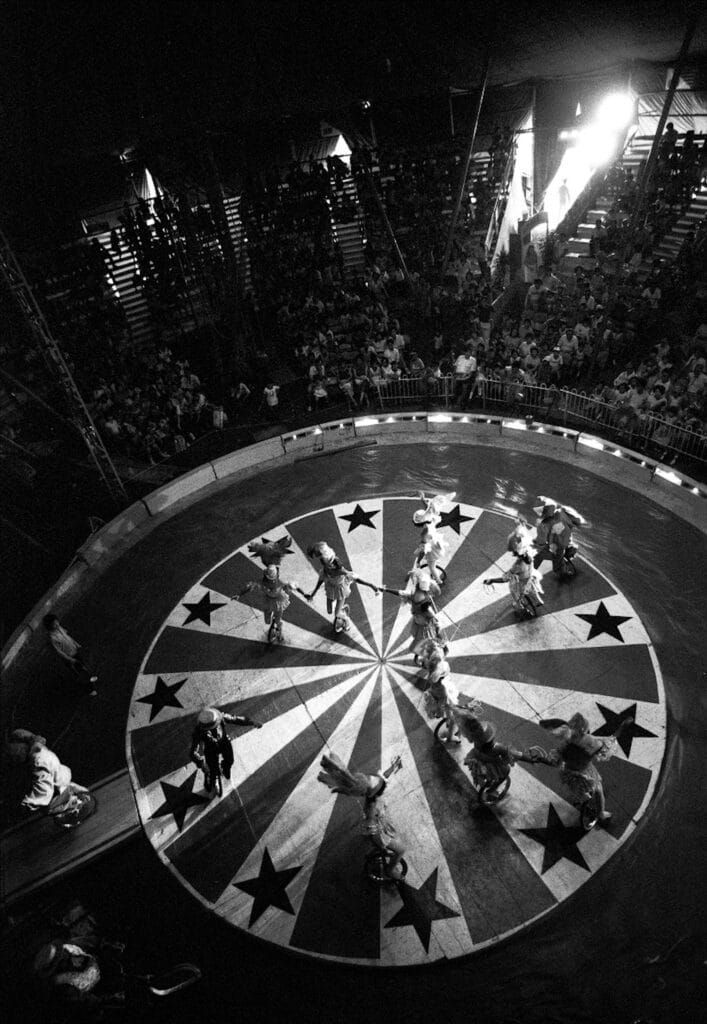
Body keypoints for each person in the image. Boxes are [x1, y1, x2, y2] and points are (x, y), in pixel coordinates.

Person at [318, 751, 406, 880]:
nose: (379, 780)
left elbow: (383, 779)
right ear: (375, 791)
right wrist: (379, 840)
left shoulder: (373, 791)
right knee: (401, 850)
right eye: (377, 782)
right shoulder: (372, 804)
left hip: (380, 823)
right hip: (377, 831)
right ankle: (390, 870)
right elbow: (370, 825)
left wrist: (393, 767)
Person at [531, 712, 624, 823]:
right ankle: (601, 814)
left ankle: (583, 796)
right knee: (598, 790)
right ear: (584, 729)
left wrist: (541, 759)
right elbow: (607, 745)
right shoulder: (591, 742)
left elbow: (555, 763)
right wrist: (620, 729)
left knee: (579, 789)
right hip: (586, 773)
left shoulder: (564, 746)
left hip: (570, 774)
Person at [5, 729, 89, 816]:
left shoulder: (37, 760)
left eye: (15, 753)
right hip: (62, 776)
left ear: (23, 745)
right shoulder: (39, 750)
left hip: (60, 784)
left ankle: (73, 798)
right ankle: (71, 792)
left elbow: (44, 788)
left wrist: (28, 802)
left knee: (47, 809)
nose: (14, 757)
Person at [305, 542, 377, 632]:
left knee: (336, 614)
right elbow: (320, 582)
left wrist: (371, 585)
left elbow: (355, 578)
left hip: (340, 590)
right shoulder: (325, 570)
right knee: (329, 611)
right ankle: (341, 609)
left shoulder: (340, 571)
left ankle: (346, 620)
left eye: (324, 561)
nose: (325, 565)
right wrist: (312, 595)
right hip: (331, 588)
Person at [190, 707, 262, 793]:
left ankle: (225, 767)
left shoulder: (221, 718)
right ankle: (213, 776)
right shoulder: (198, 732)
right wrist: (202, 764)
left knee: (230, 760)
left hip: (224, 743)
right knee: (213, 770)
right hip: (210, 749)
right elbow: (193, 752)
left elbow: (236, 719)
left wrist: (252, 722)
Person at [484, 523, 544, 618]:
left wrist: (492, 580)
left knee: (514, 589)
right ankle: (537, 599)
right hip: (529, 578)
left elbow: (505, 578)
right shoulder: (530, 556)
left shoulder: (517, 566)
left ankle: (519, 606)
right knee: (531, 585)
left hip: (522, 585)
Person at [235, 564, 307, 643]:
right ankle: (275, 623)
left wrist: (304, 594)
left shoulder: (281, 583)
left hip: (279, 602)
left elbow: (295, 587)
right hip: (268, 601)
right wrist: (239, 594)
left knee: (277, 620)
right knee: (267, 621)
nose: (268, 579)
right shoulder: (262, 582)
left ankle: (279, 627)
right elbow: (250, 585)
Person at [43, 613, 98, 695]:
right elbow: (59, 652)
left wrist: (76, 644)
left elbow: (67, 637)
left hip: (74, 652)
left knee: (82, 667)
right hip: (69, 657)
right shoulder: (52, 638)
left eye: (56, 622)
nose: (57, 624)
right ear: (49, 626)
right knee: (80, 673)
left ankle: (89, 678)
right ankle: (89, 689)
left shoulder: (59, 628)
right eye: (54, 624)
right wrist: (70, 659)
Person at [532, 495, 586, 578]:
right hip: (567, 541)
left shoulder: (544, 524)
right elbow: (577, 520)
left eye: (541, 511)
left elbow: (541, 541)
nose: (540, 513)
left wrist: (536, 543)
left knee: (544, 559)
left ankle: (566, 575)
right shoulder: (562, 511)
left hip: (557, 546)